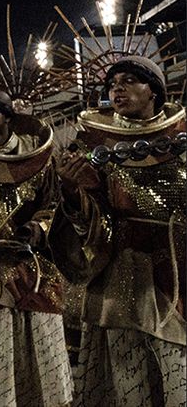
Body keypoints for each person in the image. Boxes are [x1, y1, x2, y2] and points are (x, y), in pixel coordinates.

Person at [49, 56, 186, 406]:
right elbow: (94, 223)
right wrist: (73, 191)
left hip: (179, 270)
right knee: (129, 381)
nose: (117, 89)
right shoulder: (94, 143)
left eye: (128, 81)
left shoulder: (182, 135)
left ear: (153, 90)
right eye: (112, 84)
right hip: (124, 278)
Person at [0, 89, 73, 407]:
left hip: (34, 270)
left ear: (8, 117)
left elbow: (53, 202)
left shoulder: (38, 155)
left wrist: (38, 228)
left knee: (41, 357)